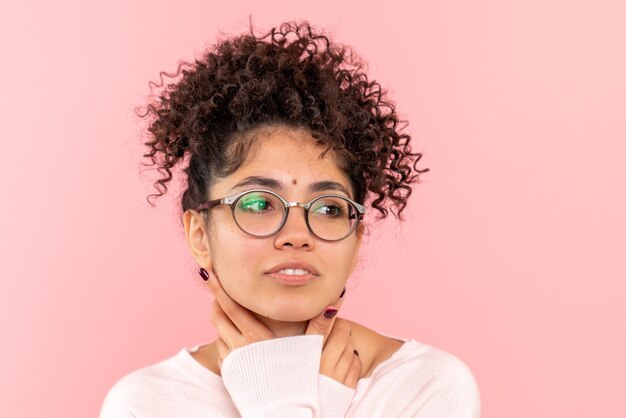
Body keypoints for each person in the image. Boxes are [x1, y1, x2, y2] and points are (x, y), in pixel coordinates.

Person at [99, 20, 481, 417]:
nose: (297, 236)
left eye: (329, 209)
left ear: (357, 240)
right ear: (199, 233)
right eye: (260, 204)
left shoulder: (424, 385)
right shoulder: (147, 404)